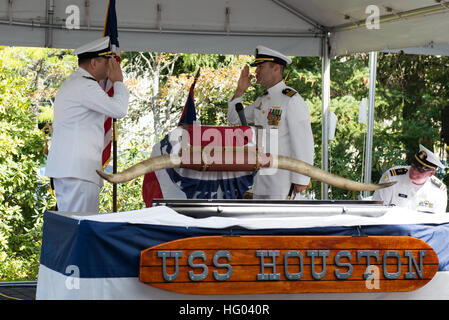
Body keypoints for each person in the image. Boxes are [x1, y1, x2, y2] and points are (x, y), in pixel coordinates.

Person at [45, 36, 129, 213]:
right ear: (93, 63)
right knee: (79, 226)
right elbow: (119, 110)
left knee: (72, 226)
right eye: (108, 62)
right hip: (77, 172)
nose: (111, 66)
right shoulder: (85, 86)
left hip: (72, 170)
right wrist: (119, 82)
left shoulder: (75, 83)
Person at [227, 45, 314, 199]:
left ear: (276, 68)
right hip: (261, 174)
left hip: (282, 178)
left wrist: (301, 178)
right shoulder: (262, 100)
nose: (256, 71)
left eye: (261, 66)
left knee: (279, 221)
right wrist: (239, 91)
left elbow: (303, 141)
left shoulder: (291, 99)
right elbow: (234, 118)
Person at [372, 144, 447, 214]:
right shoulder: (392, 177)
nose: (414, 171)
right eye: (413, 166)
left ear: (431, 173)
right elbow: (376, 210)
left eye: (420, 170)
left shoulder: (438, 190)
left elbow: (437, 221)